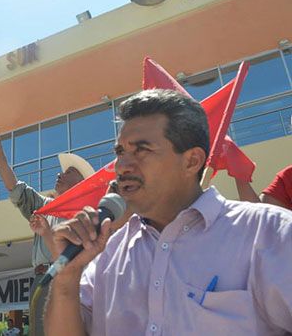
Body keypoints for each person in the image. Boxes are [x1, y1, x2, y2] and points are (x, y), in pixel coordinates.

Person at [44, 89, 292, 335]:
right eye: (120, 152)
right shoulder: (108, 252)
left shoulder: (271, 233)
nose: (122, 166)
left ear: (192, 161)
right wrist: (66, 279)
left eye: (141, 149)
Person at [0, 126, 95, 335]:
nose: (59, 174)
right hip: (41, 280)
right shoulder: (45, 206)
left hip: (67, 279)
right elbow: (13, 186)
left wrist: (46, 233)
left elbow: (69, 259)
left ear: (81, 183)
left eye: (69, 172)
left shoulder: (85, 215)